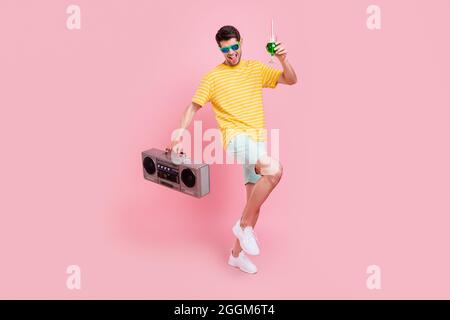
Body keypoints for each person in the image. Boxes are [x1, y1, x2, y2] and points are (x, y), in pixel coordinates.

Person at [168, 25, 297, 274]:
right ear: (220, 49)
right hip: (236, 139)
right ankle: (242, 227)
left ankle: (236, 254)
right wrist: (178, 134)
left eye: (234, 46)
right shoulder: (212, 77)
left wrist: (283, 59)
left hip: (257, 141)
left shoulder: (256, 69)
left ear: (241, 42)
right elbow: (191, 108)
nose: (231, 52)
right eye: (225, 49)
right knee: (275, 170)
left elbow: (291, 79)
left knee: (253, 203)